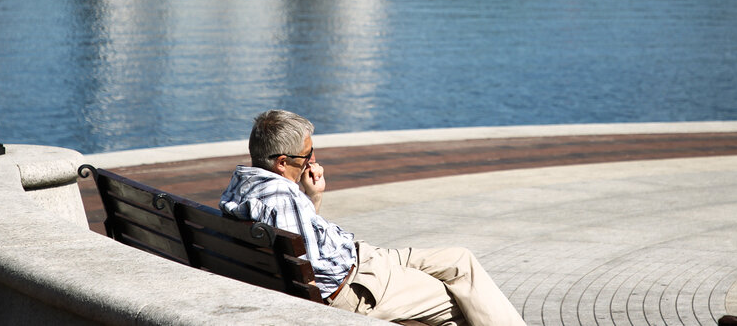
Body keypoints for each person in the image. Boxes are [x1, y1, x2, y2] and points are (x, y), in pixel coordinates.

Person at [220, 110, 526, 326]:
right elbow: (321, 276)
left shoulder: (242, 184)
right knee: (460, 301)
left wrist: (312, 197)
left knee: (461, 260)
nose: (313, 160)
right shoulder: (283, 199)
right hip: (357, 286)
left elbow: (300, 248)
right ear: (282, 162)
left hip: (360, 257)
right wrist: (369, 269)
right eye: (307, 155)